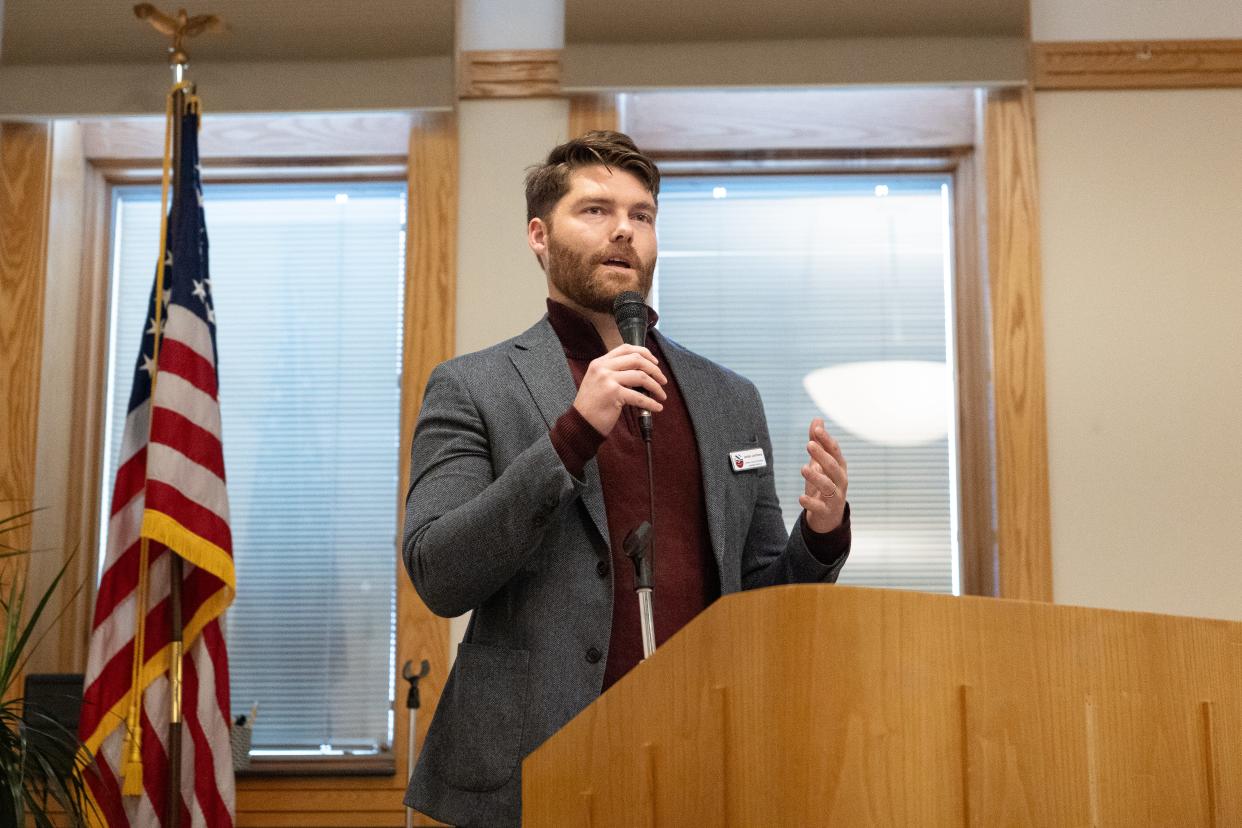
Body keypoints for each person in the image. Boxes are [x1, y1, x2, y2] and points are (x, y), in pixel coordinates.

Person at [402, 130, 851, 826]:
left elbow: (756, 598)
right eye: (595, 211)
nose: (623, 230)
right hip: (530, 771)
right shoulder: (473, 386)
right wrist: (572, 434)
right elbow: (440, 571)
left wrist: (819, 539)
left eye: (642, 215)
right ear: (538, 236)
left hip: (698, 760)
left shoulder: (730, 398)